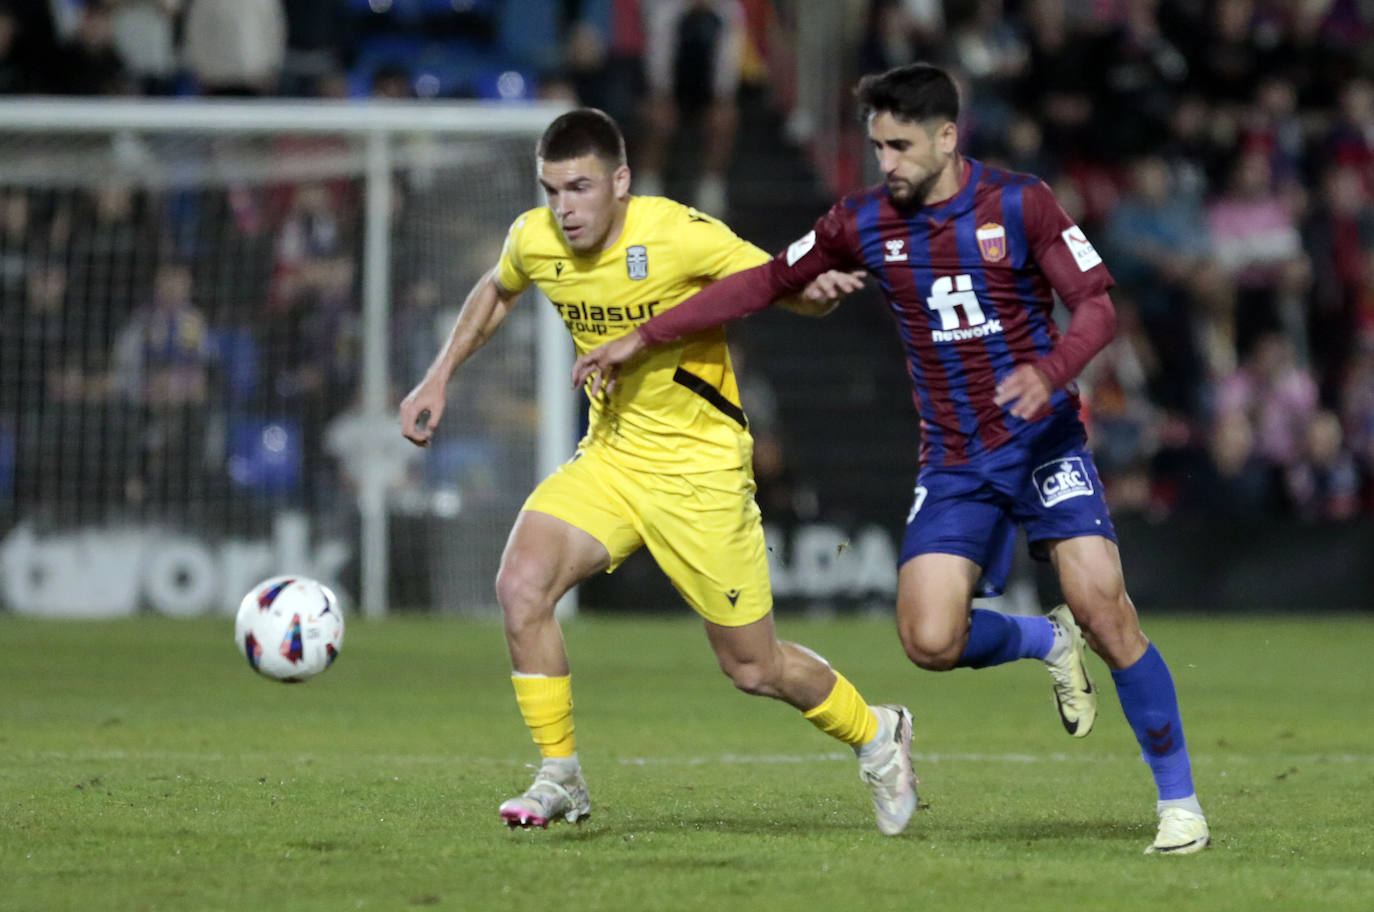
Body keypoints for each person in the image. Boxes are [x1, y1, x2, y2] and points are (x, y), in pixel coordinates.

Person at [572, 64, 1210, 855]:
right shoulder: (861, 222)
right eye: (877, 146)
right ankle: (1043, 642)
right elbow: (767, 280)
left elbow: (1098, 308)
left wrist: (1049, 375)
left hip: (1044, 445)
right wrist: (647, 334)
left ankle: (1179, 805)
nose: (887, 163)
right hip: (954, 462)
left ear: (948, 137)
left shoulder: (1021, 202)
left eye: (901, 145)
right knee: (929, 642)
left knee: (1104, 609)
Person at [398, 108, 917, 835]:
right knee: (521, 586)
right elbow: (496, 288)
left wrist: (814, 295)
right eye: (551, 190)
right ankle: (560, 777)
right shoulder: (535, 237)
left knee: (753, 668)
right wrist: (438, 377)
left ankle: (878, 732)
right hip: (611, 460)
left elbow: (770, 282)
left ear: (620, 181)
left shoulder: (677, 232)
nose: (563, 208)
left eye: (579, 188)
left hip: (700, 472)